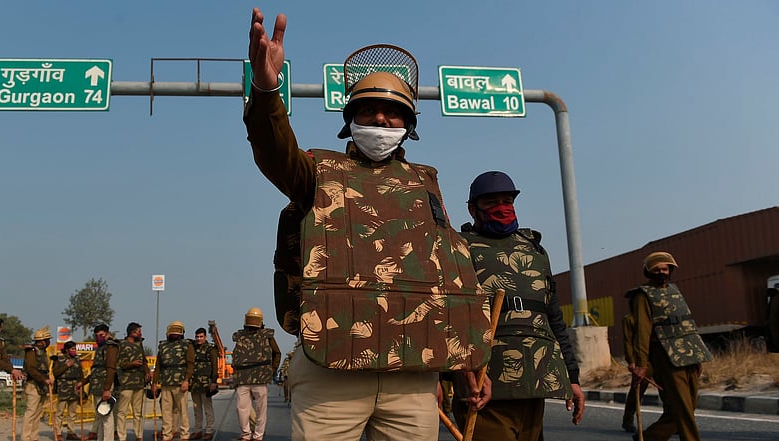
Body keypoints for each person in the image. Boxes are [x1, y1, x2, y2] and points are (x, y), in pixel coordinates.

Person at [246, 8, 491, 440]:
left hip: (412, 377)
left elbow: (449, 278)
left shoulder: (426, 184)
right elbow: (273, 150)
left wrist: (467, 363)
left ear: (409, 125)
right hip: (331, 372)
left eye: (393, 113)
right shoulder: (317, 172)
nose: (381, 120)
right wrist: (267, 90)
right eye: (370, 110)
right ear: (350, 120)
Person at [453, 171, 585, 440]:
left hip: (536, 378)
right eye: (491, 202)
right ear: (472, 208)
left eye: (507, 201)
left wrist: (572, 377)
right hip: (484, 379)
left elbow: (553, 318)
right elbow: (449, 317)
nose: (501, 208)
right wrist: (455, 375)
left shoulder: (534, 250)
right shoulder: (458, 247)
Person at [626, 251, 712, 441]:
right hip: (666, 356)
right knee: (682, 408)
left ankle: (649, 437)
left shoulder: (674, 291)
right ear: (648, 272)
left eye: (665, 269)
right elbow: (643, 331)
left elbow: (687, 325)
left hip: (690, 354)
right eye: (657, 269)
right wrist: (640, 363)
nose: (662, 272)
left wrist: (697, 356)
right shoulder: (642, 296)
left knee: (688, 405)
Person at [231, 307, 281, 441]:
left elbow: (277, 353)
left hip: (260, 377)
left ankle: (258, 435)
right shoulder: (240, 336)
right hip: (243, 377)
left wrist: (272, 370)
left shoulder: (267, 335)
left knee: (260, 409)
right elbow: (236, 356)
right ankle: (246, 434)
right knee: (241, 409)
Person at [152, 321, 195, 441]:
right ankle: (167, 435)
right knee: (166, 412)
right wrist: (154, 383)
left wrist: (187, 380)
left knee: (183, 411)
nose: (175, 333)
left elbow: (190, 364)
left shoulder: (187, 345)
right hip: (166, 383)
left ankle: (185, 434)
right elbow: (158, 366)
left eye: (177, 331)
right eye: (173, 330)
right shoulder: (163, 346)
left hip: (180, 383)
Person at [77, 324, 119, 441]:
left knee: (106, 417)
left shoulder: (111, 347)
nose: (98, 338)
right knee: (100, 417)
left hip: (104, 386)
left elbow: (111, 368)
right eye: (96, 336)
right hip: (96, 386)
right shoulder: (100, 348)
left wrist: (107, 389)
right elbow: (96, 370)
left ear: (107, 334)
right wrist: (83, 382)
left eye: (101, 335)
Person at [116, 322, 150, 441]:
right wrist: (132, 364)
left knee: (138, 412)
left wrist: (147, 372)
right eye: (138, 331)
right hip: (126, 383)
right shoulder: (122, 344)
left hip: (139, 383)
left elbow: (144, 360)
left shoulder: (139, 344)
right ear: (132, 332)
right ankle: (122, 436)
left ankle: (139, 435)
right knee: (122, 412)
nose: (140, 333)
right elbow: (119, 363)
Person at [23, 326, 53, 441]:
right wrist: (43, 379)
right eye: (47, 340)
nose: (48, 342)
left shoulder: (43, 352)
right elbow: (31, 369)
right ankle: (26, 437)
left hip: (42, 386)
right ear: (41, 341)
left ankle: (33, 437)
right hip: (33, 385)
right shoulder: (32, 351)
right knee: (30, 413)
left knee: (37, 413)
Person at [189, 327, 219, 441]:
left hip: (206, 383)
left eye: (201, 337)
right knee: (196, 409)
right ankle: (198, 430)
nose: (199, 339)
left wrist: (214, 381)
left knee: (207, 408)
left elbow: (215, 366)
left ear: (205, 337)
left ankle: (209, 431)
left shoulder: (210, 349)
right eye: (197, 337)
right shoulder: (192, 348)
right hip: (195, 384)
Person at [53, 341, 84, 441]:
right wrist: (67, 365)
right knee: (60, 411)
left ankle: (71, 432)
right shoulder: (60, 359)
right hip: (63, 387)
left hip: (74, 388)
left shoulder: (77, 360)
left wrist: (81, 384)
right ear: (67, 350)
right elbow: (56, 373)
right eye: (72, 349)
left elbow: (81, 374)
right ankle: (58, 433)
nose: (74, 351)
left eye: (75, 349)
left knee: (72, 412)